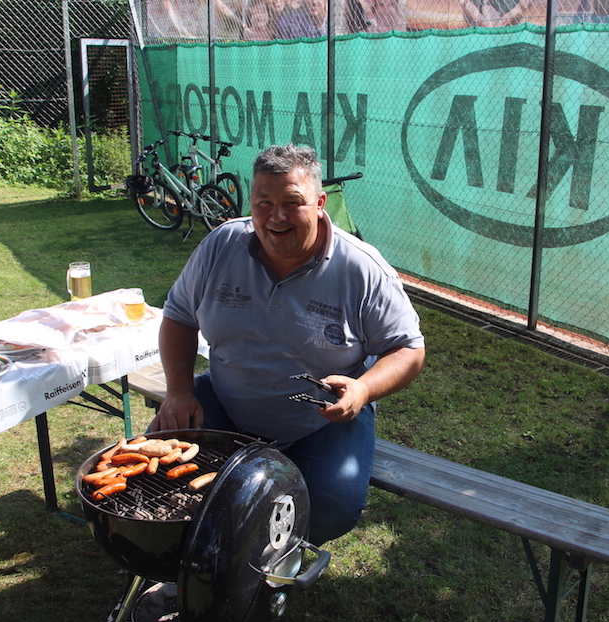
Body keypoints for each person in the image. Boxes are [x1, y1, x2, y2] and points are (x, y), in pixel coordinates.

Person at [152, 143, 426, 546]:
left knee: (330, 506)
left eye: (291, 202)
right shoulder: (222, 245)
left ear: (320, 203)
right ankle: (198, 552)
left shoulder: (361, 268)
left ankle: (259, 560)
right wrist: (178, 390)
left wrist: (363, 390)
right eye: (263, 202)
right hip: (225, 401)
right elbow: (178, 316)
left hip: (322, 419)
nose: (276, 216)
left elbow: (408, 349)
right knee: (161, 464)